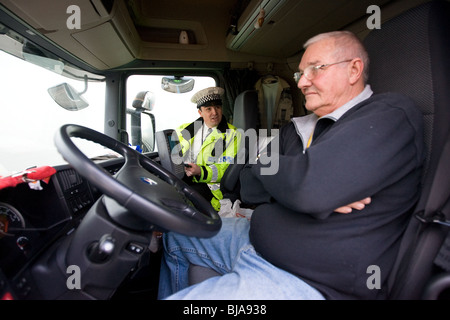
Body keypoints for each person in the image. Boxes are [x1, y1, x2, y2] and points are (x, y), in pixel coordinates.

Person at [158, 31, 425, 300]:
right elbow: (252, 183)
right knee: (176, 236)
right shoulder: (295, 129)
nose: (302, 83)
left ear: (354, 69)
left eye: (315, 70)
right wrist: (295, 177)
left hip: (308, 277)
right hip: (256, 240)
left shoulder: (385, 115)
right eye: (301, 73)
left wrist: (297, 180)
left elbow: (308, 188)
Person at [176, 86, 241, 211]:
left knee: (180, 199)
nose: (215, 113)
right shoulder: (184, 129)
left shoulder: (232, 134)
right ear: (200, 112)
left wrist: (200, 171)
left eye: (217, 107)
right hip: (183, 178)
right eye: (208, 109)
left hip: (210, 188)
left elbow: (225, 168)